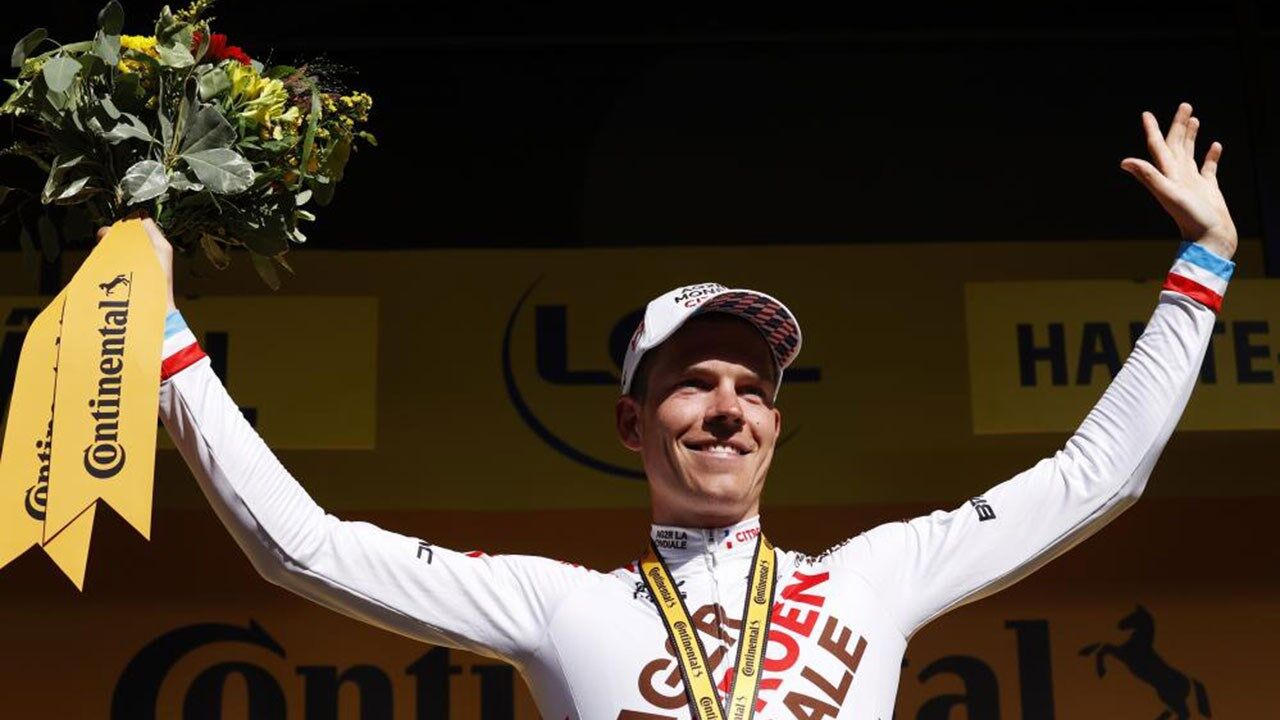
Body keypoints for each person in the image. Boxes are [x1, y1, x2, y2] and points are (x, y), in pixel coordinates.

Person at [148, 103, 1236, 719]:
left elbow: (1097, 476)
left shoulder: (877, 575)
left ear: (775, 429)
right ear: (631, 424)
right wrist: (160, 339)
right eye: (693, 382)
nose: (727, 409)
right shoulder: (557, 605)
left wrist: (1205, 263)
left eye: (753, 391)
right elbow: (301, 548)